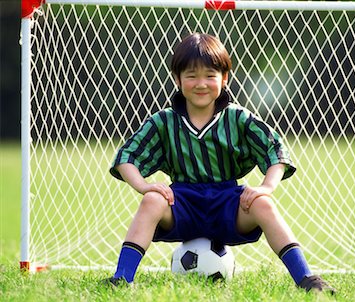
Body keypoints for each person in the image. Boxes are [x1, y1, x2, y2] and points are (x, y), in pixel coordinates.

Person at [104, 32, 335, 294]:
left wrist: (265, 188)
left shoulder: (238, 117)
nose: (201, 83)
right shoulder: (164, 121)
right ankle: (122, 279)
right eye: (191, 76)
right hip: (182, 203)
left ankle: (306, 279)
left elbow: (276, 150)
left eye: (210, 75)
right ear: (177, 79)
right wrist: (145, 186)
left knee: (263, 204)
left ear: (224, 78)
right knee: (152, 201)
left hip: (228, 203)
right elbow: (126, 157)